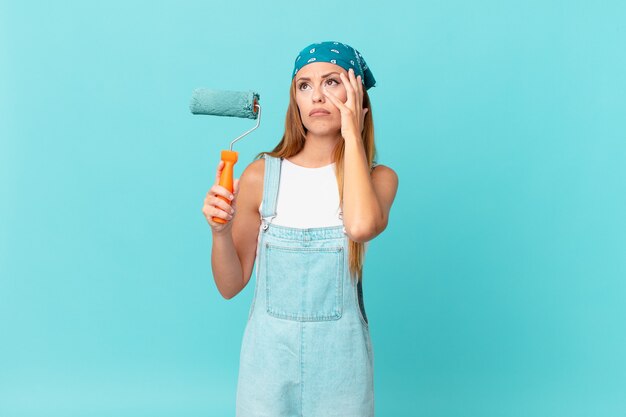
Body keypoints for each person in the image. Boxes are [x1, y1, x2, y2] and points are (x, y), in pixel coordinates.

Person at [202, 41, 398, 416]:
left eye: (332, 82)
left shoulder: (379, 179)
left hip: (342, 370)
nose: (317, 96)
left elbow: (359, 226)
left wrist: (353, 134)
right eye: (304, 86)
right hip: (267, 369)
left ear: (356, 94)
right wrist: (220, 232)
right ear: (295, 100)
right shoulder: (262, 175)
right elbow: (229, 286)